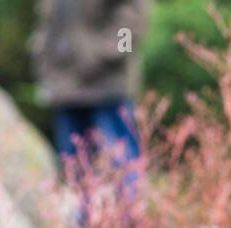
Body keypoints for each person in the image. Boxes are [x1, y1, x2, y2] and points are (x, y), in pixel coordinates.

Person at [30, 0, 149, 165]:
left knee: (122, 165)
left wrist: (111, 54)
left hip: (108, 87)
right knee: (74, 169)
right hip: (64, 88)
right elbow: (46, 24)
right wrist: (41, 57)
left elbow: (133, 21)